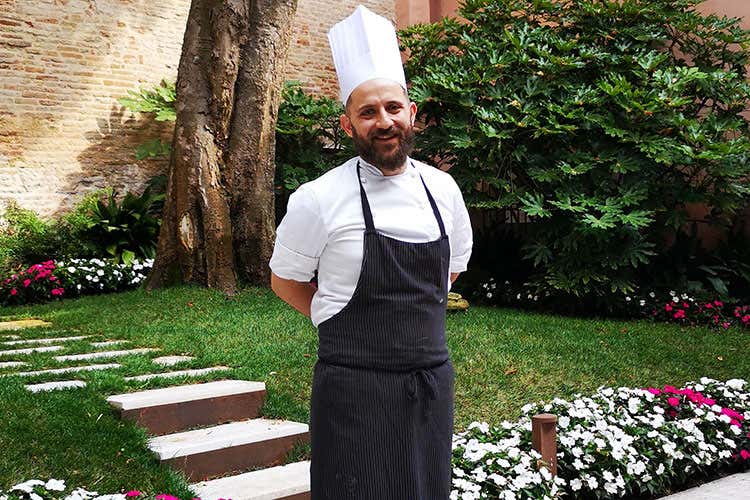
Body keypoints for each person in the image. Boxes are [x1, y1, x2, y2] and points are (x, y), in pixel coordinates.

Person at [269, 5, 472, 499]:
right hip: (352, 387)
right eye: (368, 112)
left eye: (393, 108)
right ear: (348, 125)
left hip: (428, 384)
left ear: (412, 114)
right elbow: (285, 280)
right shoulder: (318, 198)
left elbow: (449, 272)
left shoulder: (443, 189)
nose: (384, 121)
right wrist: (334, 318)